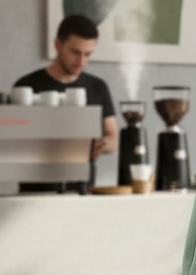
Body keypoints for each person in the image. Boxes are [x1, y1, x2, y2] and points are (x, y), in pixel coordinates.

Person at [14, 14, 118, 189]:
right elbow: (14, 142)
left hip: (82, 190)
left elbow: (113, 137)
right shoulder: (27, 86)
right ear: (57, 45)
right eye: (75, 52)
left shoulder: (97, 87)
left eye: (87, 54)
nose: (81, 61)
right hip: (34, 192)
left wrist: (102, 144)